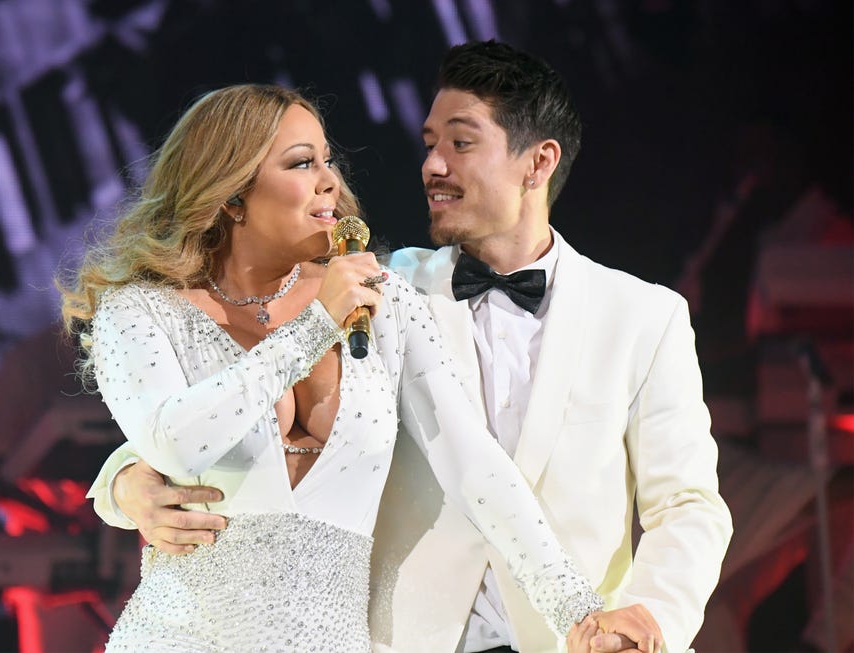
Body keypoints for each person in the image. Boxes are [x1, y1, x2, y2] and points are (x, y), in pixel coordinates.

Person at [89, 41, 733, 653]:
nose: (431, 164)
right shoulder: (381, 284)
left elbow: (491, 466)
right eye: (429, 144)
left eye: (460, 143)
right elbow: (182, 422)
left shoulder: (643, 317)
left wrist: (599, 616)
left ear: (538, 161)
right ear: (231, 193)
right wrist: (122, 484)